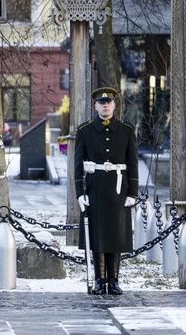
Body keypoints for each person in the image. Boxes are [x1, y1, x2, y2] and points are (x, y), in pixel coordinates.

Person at [74, 87, 138, 295]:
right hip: (96, 187)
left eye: (109, 102)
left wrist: (133, 193)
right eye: (101, 103)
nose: (105, 106)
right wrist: (79, 193)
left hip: (119, 189)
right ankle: (100, 280)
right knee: (98, 233)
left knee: (116, 234)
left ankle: (114, 279)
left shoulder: (127, 130)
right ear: (95, 106)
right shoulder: (85, 130)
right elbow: (77, 163)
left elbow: (133, 162)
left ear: (114, 105)